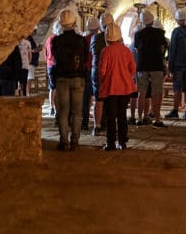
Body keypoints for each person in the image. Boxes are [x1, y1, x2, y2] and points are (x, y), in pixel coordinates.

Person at [48, 10, 91, 151]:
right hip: (78, 77)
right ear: (74, 22)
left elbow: (55, 58)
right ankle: (75, 141)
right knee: (77, 112)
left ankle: (64, 141)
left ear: (61, 24)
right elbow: (84, 58)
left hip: (62, 78)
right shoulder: (81, 40)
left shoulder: (56, 40)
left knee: (63, 111)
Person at [96, 24, 137, 150]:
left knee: (111, 116)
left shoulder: (106, 51)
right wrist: (124, 76)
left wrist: (104, 79)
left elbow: (102, 71)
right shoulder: (126, 50)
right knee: (122, 115)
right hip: (125, 88)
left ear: (106, 38)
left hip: (111, 88)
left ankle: (111, 142)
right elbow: (133, 69)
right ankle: (123, 142)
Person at [133, 12, 169, 127]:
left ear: (142, 22)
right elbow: (163, 48)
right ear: (152, 21)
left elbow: (137, 50)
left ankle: (140, 118)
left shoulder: (138, 34)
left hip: (142, 65)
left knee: (141, 92)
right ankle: (157, 118)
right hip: (156, 65)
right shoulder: (159, 33)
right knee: (156, 93)